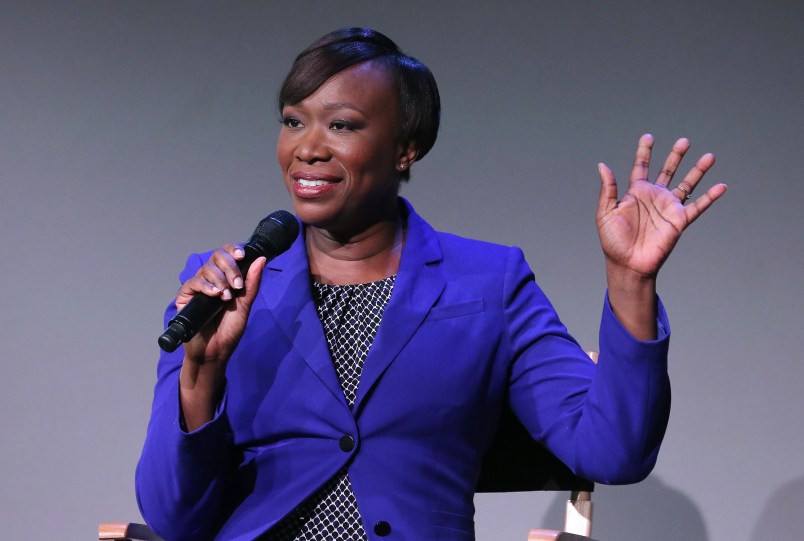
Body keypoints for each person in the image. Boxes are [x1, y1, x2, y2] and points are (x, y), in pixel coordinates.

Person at [135, 27, 727, 541]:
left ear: (406, 148)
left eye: (340, 124)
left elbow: (614, 452)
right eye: (293, 122)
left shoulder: (488, 283)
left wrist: (630, 279)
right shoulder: (229, 286)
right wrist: (202, 372)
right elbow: (175, 518)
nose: (306, 149)